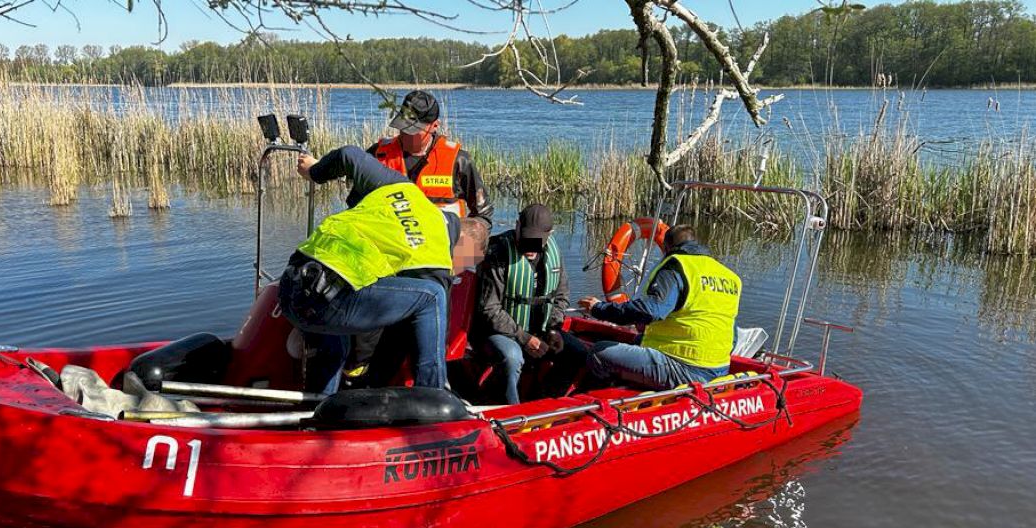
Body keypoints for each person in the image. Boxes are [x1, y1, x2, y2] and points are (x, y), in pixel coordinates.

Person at [281, 145, 488, 395]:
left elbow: (349, 155)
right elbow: (432, 332)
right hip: (328, 299)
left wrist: (315, 172)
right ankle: (433, 397)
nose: (457, 271)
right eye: (465, 263)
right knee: (433, 295)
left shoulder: (404, 189)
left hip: (292, 282)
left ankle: (317, 411)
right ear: (464, 244)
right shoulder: (437, 256)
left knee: (336, 347)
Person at [577, 225, 741, 391]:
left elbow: (651, 311)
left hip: (684, 369)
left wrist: (598, 309)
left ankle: (585, 404)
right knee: (636, 341)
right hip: (719, 369)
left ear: (667, 247)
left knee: (599, 353)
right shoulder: (728, 276)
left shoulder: (677, 266)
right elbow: (732, 336)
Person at [473, 204, 588, 404]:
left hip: (540, 329)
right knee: (512, 357)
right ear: (517, 226)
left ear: (549, 235)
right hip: (500, 332)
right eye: (526, 240)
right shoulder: (497, 253)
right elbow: (489, 310)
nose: (530, 248)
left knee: (578, 353)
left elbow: (562, 295)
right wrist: (524, 338)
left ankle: (544, 400)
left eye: (536, 242)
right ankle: (510, 412)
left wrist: (553, 327)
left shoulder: (553, 253)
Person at [368, 90, 494, 226]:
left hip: (442, 244)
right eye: (403, 127)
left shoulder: (459, 161)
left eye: (413, 130)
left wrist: (467, 240)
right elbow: (356, 207)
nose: (406, 134)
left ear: (434, 126)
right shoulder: (377, 155)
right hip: (388, 243)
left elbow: (483, 215)